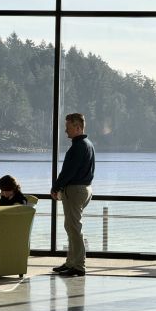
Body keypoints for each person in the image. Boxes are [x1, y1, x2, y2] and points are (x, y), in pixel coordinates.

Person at [51, 113, 95, 277]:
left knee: (74, 228)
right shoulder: (88, 144)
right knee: (71, 227)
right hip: (85, 188)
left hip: (75, 190)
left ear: (78, 127)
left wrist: (56, 187)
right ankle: (71, 262)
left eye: (68, 127)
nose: (65, 131)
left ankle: (78, 265)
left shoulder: (78, 147)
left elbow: (69, 171)